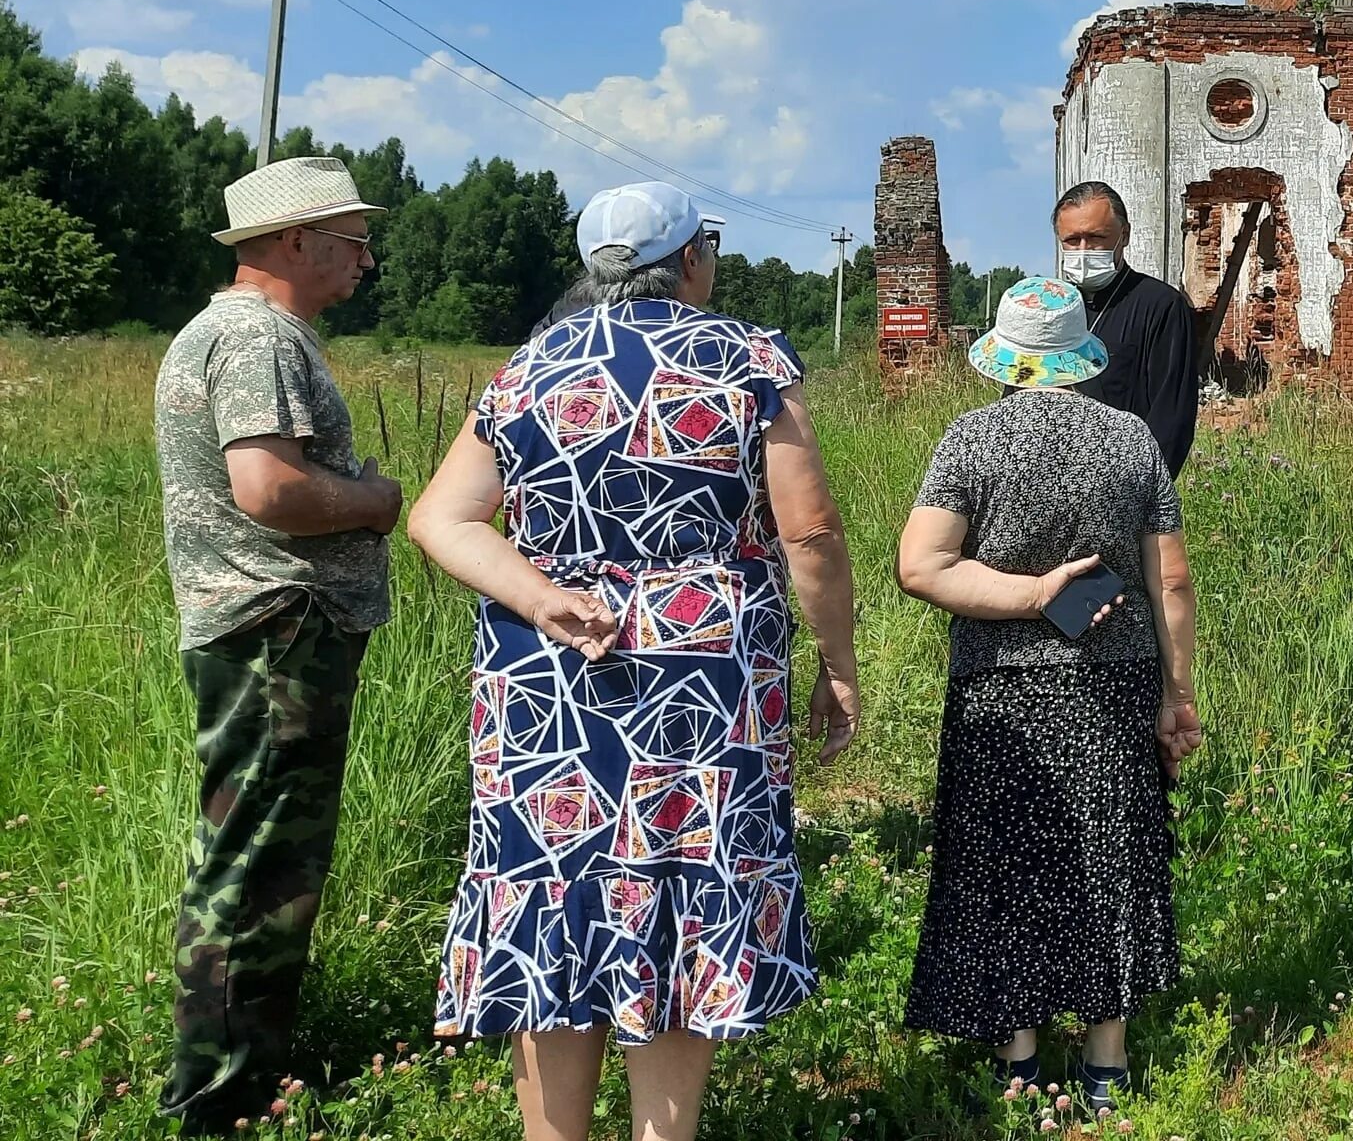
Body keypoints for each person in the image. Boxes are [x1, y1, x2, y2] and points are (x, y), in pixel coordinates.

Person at [407, 182, 864, 1141]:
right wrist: (836, 662)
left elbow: (441, 519)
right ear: (692, 260)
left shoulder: (526, 368)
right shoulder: (743, 355)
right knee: (680, 891)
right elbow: (809, 530)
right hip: (703, 691)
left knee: (551, 899)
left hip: (546, 689)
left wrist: (539, 596)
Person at [897, 276, 1203, 1112]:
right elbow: (1168, 580)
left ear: (1004, 355)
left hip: (1001, 691)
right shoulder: (1132, 441)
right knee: (1110, 859)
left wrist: (1027, 596)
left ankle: (1020, 1064)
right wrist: (1177, 694)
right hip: (1114, 682)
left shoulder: (970, 439)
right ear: (1079, 357)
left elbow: (921, 565)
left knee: (1004, 865)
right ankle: (1106, 1070)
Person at [153, 155, 405, 1133]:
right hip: (278, 626)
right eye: (353, 241)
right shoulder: (258, 339)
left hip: (273, 628)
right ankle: (219, 1100)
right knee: (259, 860)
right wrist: (377, 502)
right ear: (295, 242)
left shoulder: (238, 332)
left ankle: (245, 1072)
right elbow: (271, 490)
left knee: (258, 856)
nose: (367, 259)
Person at [1052, 180, 1200, 479]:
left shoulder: (1161, 306)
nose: (1083, 250)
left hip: (1122, 484)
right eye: (1072, 240)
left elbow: (1171, 418)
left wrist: (1141, 494)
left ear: (1125, 235)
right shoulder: (1051, 306)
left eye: (1096, 238)